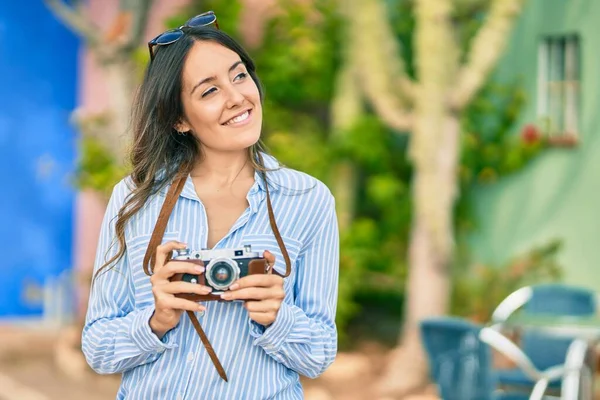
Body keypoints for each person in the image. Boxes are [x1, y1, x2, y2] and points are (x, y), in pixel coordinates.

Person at [82, 11, 340, 400]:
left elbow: (318, 354)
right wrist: (157, 319)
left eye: (239, 75)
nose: (238, 97)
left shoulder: (308, 199)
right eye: (209, 91)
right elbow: (98, 349)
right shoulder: (136, 197)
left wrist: (276, 316)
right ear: (179, 120)